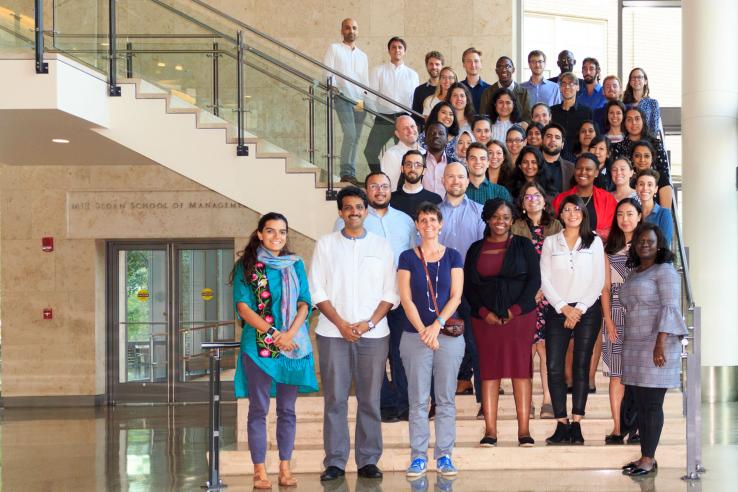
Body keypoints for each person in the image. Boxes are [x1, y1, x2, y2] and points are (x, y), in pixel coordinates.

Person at [310, 187, 398, 482]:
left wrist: (368, 324)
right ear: (340, 213)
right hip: (332, 332)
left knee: (370, 399)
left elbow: (390, 292)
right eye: (348, 208)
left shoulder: (381, 246)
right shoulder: (325, 244)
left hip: (373, 335)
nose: (354, 212)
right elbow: (317, 289)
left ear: (366, 211)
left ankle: (368, 459)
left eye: (359, 207)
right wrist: (340, 323)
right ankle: (335, 461)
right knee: (335, 398)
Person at [231, 212, 318, 489]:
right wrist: (273, 334)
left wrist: (289, 334)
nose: (276, 237)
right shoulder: (247, 267)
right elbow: (244, 308)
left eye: (282, 232)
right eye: (270, 231)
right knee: (258, 409)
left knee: (287, 410)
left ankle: (284, 467)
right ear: (259, 234)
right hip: (258, 348)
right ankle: (259, 471)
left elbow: (305, 302)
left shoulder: (295, 265)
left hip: (292, 346)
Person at [335, 173, 417, 425]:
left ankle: (405, 404)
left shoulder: (405, 221)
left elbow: (414, 256)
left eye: (384, 186)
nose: (380, 191)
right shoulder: (352, 220)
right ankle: (384, 404)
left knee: (402, 353)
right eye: (374, 187)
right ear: (366, 191)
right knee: (374, 357)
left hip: (402, 299)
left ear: (391, 190)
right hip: (368, 301)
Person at [465, 198, 541, 446]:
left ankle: (524, 431)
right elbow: (469, 286)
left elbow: (534, 281)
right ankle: (490, 431)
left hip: (519, 318)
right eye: (496, 216)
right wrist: (483, 311)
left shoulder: (524, 245)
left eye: (506, 217)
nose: (501, 221)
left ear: (512, 220)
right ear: (487, 218)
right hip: (485, 320)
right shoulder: (475, 248)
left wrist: (515, 310)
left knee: (521, 371)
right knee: (489, 373)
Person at [398, 202, 465, 478]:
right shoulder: (406, 257)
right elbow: (405, 298)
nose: (428, 225)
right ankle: (418, 457)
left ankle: (445, 455)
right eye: (423, 220)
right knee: (417, 400)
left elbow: (456, 296)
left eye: (433, 220)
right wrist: (424, 331)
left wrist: (435, 326)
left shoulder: (453, 255)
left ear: (441, 224)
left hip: (447, 336)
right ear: (417, 224)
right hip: (414, 336)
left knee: (446, 399)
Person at [620, 223, 687, 476]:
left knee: (651, 406)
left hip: (656, 344)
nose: (644, 244)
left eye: (649, 241)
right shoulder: (635, 272)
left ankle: (648, 459)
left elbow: (670, 308)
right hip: (634, 345)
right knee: (639, 403)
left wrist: (659, 344)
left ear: (659, 245)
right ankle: (644, 456)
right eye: (640, 241)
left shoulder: (665, 271)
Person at [541, 195, 605, 445]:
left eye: (576, 209)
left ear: (583, 213)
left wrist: (578, 308)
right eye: (566, 209)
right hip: (557, 310)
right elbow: (545, 279)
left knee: (580, 366)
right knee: (554, 367)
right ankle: (561, 423)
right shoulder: (550, 242)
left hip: (587, 310)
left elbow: (598, 279)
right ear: (560, 214)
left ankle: (577, 423)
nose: (571, 213)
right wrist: (563, 307)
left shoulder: (595, 241)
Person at [511, 183, 563, 420]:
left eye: (537, 195)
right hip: (526, 296)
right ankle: (528, 400)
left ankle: (548, 400)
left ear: (544, 199)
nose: (533, 199)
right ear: (522, 203)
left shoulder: (556, 226)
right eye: (528, 196)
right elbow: (512, 263)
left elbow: (562, 261)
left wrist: (546, 289)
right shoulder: (515, 227)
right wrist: (531, 290)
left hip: (552, 296)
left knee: (546, 348)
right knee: (527, 349)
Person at [438, 163, 486, 414]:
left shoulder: (479, 213)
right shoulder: (432, 214)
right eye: (450, 177)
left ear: (468, 181)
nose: (455, 181)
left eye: (460, 177)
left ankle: (484, 403)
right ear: (443, 181)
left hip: (472, 289)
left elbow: (484, 253)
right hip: (439, 291)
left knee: (477, 344)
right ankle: (437, 402)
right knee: (438, 345)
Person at [601, 197, 642, 444]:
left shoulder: (648, 245)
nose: (624, 219)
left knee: (637, 374)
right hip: (615, 312)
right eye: (620, 215)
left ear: (639, 216)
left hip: (641, 314)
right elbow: (605, 289)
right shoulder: (609, 247)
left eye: (629, 214)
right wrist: (609, 320)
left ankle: (635, 427)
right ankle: (618, 427)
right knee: (617, 375)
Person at [324, 18, 369, 185]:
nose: (351, 31)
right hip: (342, 97)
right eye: (348, 28)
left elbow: (365, 81)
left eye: (354, 28)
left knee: (356, 137)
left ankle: (351, 173)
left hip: (359, 101)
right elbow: (328, 71)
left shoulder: (362, 55)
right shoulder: (334, 49)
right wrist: (334, 89)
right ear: (342, 30)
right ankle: (345, 172)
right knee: (350, 134)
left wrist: (365, 100)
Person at [365, 37, 420, 174]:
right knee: (370, 151)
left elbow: (414, 99)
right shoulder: (378, 71)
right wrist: (374, 116)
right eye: (394, 47)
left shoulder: (412, 74)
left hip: (404, 118)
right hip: (383, 117)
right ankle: (379, 177)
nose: (397, 50)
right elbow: (370, 97)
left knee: (408, 153)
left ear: (404, 51)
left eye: (400, 47)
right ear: (389, 51)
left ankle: (402, 179)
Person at [552, 153, 618, 239]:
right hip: (566, 248)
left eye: (588, 169)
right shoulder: (560, 199)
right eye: (579, 168)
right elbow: (552, 228)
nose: (583, 172)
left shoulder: (607, 199)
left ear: (596, 173)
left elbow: (616, 229)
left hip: (600, 249)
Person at [390, 150, 443, 218]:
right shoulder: (391, 199)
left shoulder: (435, 200)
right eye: (408, 164)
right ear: (402, 169)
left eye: (418, 165)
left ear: (424, 171)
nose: (413, 169)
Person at [551, 72, 593, 154]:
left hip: (579, 159)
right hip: (556, 158)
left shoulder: (587, 112)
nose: (567, 87)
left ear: (578, 87)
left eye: (571, 84)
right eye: (563, 84)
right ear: (560, 88)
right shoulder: (551, 111)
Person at [480, 56, 532, 122]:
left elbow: (527, 119)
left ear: (513, 70)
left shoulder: (524, 93)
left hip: (518, 131)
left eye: (507, 66)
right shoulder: (487, 93)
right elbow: (483, 118)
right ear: (496, 71)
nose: (504, 70)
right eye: (500, 67)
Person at [380, 115, 424, 191]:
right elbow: (390, 187)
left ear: (417, 128)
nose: (410, 131)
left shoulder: (425, 152)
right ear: (397, 134)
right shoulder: (391, 155)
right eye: (405, 128)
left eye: (412, 126)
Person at [627, 137, 673, 209]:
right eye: (637, 156)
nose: (642, 160)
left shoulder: (661, 178)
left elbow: (666, 212)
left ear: (652, 158)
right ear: (632, 158)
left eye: (646, 156)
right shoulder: (628, 179)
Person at [635, 168, 673, 246]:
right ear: (636, 188)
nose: (645, 188)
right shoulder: (634, 213)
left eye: (650, 185)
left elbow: (664, 246)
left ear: (656, 189)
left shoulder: (664, 213)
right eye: (641, 184)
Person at [623, 68, 663, 138]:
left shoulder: (653, 103)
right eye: (633, 77)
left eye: (639, 77)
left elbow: (654, 129)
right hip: (628, 143)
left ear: (645, 81)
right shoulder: (624, 104)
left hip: (647, 143)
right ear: (630, 82)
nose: (636, 79)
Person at [412, 51, 444, 130]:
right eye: (431, 64)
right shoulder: (419, 90)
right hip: (426, 133)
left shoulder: (449, 89)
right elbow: (415, 117)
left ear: (442, 66)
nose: (434, 67)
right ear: (427, 66)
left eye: (437, 64)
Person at [541, 123, 575, 196]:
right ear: (542, 140)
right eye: (549, 136)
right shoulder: (532, 165)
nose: (553, 140)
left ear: (562, 144)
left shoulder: (572, 168)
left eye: (557, 137)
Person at [421, 122, 452, 198]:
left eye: (441, 133)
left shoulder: (455, 164)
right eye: (432, 133)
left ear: (447, 140)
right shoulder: (417, 163)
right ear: (425, 139)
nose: (436, 136)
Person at [459, 47, 490, 114]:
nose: (473, 65)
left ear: (481, 64)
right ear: (464, 64)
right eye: (469, 61)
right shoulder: (457, 88)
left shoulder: (490, 89)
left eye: (476, 61)